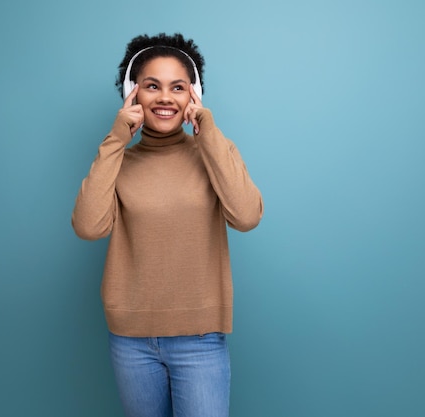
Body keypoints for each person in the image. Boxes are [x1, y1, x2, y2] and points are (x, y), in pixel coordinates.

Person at [71, 32, 263, 417]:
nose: (164, 97)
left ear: (194, 95)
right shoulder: (116, 161)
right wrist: (114, 139)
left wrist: (206, 130)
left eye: (178, 87)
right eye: (151, 86)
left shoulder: (213, 152)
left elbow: (246, 216)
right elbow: (89, 227)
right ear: (132, 93)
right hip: (131, 341)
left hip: (200, 339)